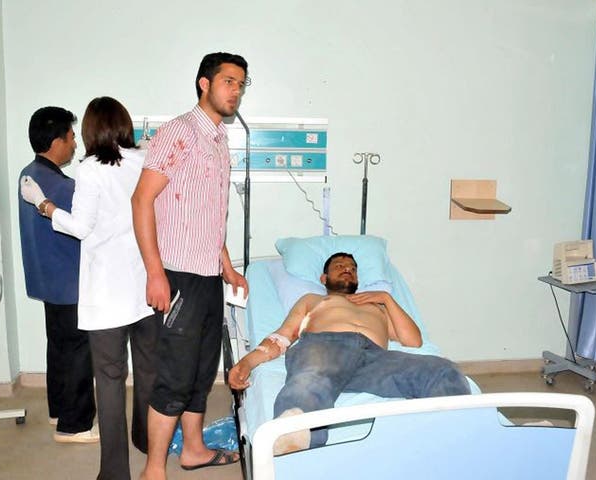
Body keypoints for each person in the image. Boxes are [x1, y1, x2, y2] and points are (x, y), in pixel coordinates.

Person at [20, 97, 159, 479]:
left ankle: (115, 472)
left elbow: (80, 228)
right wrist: (146, 148)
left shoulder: (91, 170)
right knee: (147, 373)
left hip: (107, 296)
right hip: (146, 287)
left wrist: (45, 206)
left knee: (110, 381)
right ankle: (148, 442)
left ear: (90, 131)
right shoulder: (144, 161)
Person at [131, 52, 249, 479]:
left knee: (202, 369)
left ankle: (194, 449)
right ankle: (154, 469)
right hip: (177, 274)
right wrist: (155, 272)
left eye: (241, 84)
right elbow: (141, 200)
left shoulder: (219, 141)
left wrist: (228, 267)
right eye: (228, 82)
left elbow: (209, 216)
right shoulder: (178, 133)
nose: (235, 90)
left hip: (207, 277)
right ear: (205, 83)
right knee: (174, 375)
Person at [228, 252, 472, 454]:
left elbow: (413, 341)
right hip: (325, 347)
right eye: (339, 265)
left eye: (353, 268)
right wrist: (247, 362)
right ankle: (295, 433)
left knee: (442, 369)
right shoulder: (312, 300)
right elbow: (281, 337)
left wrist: (386, 299)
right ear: (324, 278)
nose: (347, 269)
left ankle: (452, 434)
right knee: (309, 381)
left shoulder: (377, 305)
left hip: (374, 358)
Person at [17, 106, 97, 443]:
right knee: (77, 351)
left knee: (60, 348)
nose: (75, 143)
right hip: (68, 282)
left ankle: (58, 411)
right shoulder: (61, 186)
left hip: (47, 279)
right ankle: (74, 425)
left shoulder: (29, 172)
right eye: (71, 136)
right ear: (56, 140)